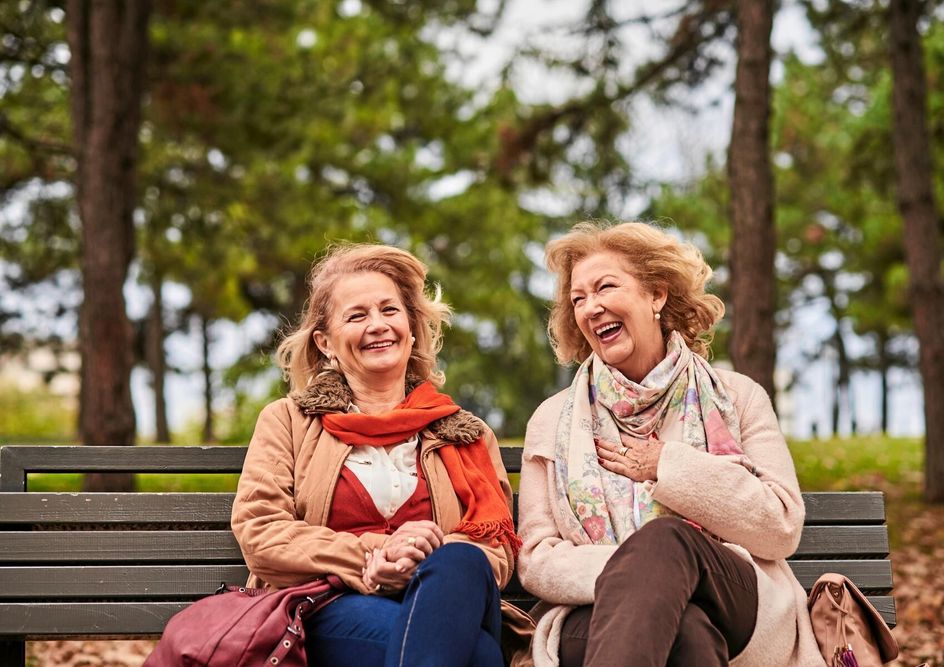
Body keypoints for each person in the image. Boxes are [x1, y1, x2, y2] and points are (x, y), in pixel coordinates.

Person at [516, 222, 824, 666]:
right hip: (592, 613)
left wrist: (669, 466)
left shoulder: (738, 397)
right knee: (687, 632)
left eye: (605, 287)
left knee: (666, 540)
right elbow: (537, 558)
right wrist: (644, 574)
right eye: (578, 298)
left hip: (732, 600)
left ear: (656, 295)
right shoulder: (552, 420)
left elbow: (781, 526)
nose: (591, 307)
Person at [231, 243, 520, 667]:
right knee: (477, 655)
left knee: (461, 559)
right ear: (325, 342)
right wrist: (371, 555)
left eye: (389, 310)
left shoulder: (462, 432)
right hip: (329, 602)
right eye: (357, 315)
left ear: (412, 327)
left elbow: (495, 550)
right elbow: (261, 530)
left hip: (445, 600)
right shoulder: (288, 421)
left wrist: (420, 557)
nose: (378, 325)